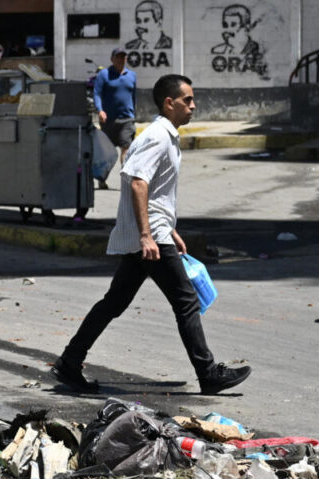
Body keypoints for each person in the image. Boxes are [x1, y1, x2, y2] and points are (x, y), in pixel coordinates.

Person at [51, 74, 251, 395]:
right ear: (169, 103)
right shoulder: (158, 135)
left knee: (114, 302)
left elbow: (152, 188)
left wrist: (170, 229)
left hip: (153, 232)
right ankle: (208, 372)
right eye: (188, 100)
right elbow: (137, 182)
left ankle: (70, 362)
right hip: (148, 237)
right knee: (185, 302)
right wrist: (149, 235)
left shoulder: (163, 135)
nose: (193, 106)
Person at [93, 47, 137, 189]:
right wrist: (100, 110)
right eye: (118, 57)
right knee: (108, 153)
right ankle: (102, 178)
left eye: (123, 57)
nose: (121, 59)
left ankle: (126, 180)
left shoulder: (132, 75)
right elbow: (97, 93)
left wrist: (133, 113)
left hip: (127, 119)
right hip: (109, 120)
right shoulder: (104, 75)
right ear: (112, 59)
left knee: (126, 148)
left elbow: (133, 96)